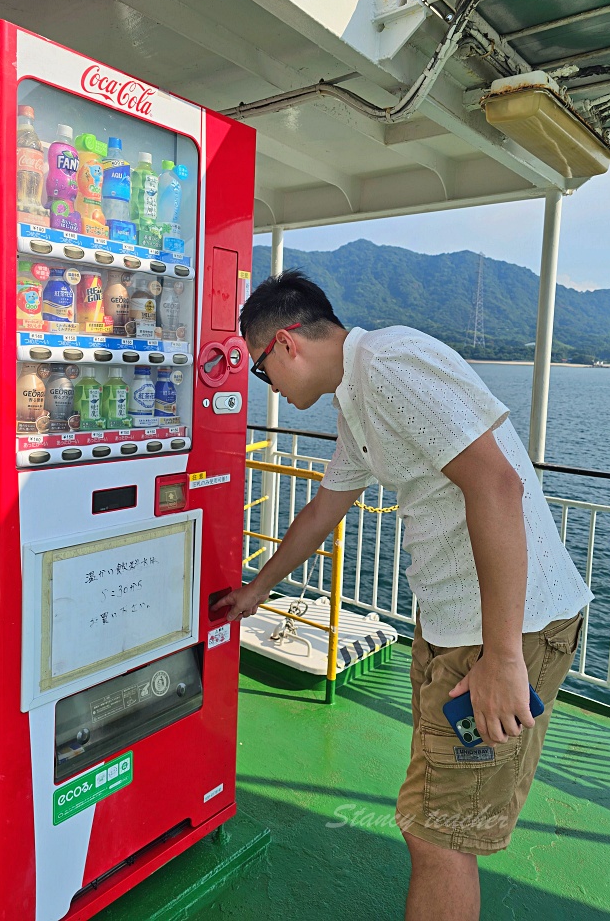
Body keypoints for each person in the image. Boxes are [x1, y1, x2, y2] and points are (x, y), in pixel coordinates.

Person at [213, 269, 591, 921]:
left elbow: (497, 486)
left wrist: (502, 659)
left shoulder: (388, 364)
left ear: (286, 343)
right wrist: (257, 591)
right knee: (432, 821)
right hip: (460, 633)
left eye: (259, 371)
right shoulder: (357, 399)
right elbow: (321, 513)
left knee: (439, 833)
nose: (265, 386)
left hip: (506, 637)